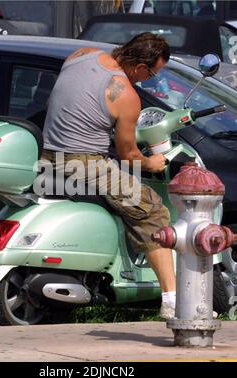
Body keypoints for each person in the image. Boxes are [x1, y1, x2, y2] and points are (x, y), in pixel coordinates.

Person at [41, 32, 176, 319]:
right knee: (152, 211)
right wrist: (151, 163)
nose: (149, 79)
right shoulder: (126, 94)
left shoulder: (80, 54)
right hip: (86, 165)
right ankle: (172, 302)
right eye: (152, 74)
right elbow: (128, 155)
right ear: (140, 66)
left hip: (48, 158)